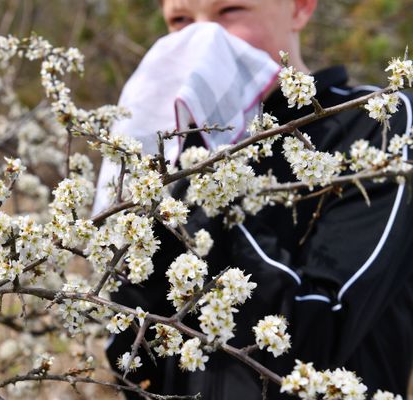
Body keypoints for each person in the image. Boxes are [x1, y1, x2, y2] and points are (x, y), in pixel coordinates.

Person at [104, 0, 413, 399]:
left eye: (230, 11)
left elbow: (322, 333)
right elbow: (137, 364)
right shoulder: (171, 150)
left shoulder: (375, 125)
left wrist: (210, 191)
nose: (203, 39)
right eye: (180, 21)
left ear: (300, 8)